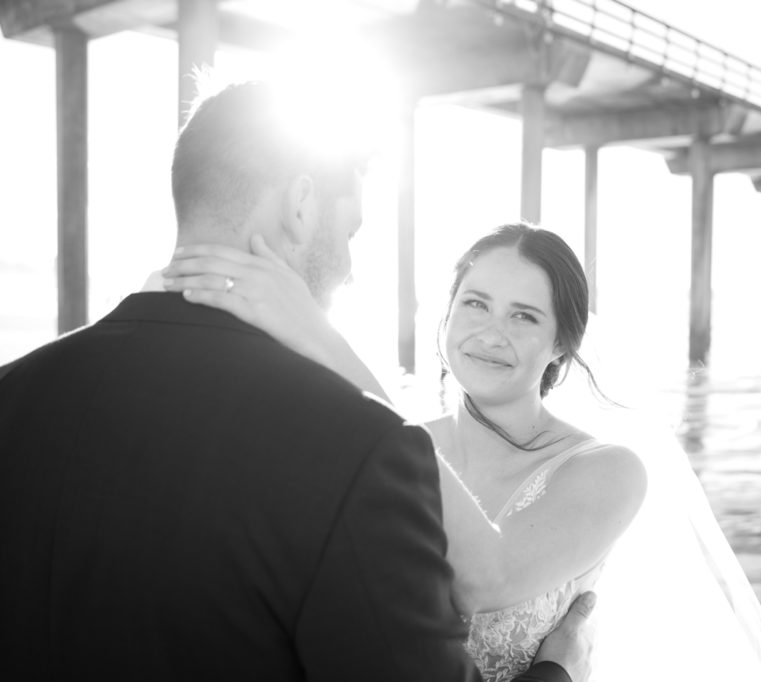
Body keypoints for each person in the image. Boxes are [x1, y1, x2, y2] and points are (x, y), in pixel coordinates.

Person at [0, 80, 594, 682]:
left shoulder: (12, 392)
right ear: (301, 206)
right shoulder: (360, 450)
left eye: (523, 315)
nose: (353, 270)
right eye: (352, 232)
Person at [163, 223, 649, 682]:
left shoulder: (607, 470)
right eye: (475, 303)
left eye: (523, 315)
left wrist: (316, 337)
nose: (491, 333)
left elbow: (485, 579)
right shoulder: (395, 444)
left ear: (563, 342)